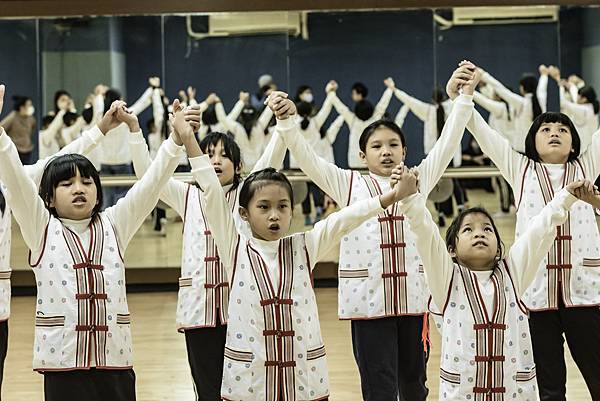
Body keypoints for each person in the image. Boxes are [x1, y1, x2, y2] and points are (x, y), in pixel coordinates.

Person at [172, 99, 422, 401]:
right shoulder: (234, 247)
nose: (274, 215)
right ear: (244, 213)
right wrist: (187, 139)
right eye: (263, 207)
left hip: (302, 377)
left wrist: (388, 198)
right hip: (252, 380)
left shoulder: (305, 246)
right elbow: (211, 191)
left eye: (282, 207)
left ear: (293, 211)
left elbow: (346, 218)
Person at [266, 62, 478, 401]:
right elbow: (307, 158)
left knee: (414, 386)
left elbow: (448, 143)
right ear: (362, 155)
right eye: (377, 146)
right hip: (367, 305)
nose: (386, 151)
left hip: (414, 301)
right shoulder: (348, 184)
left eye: (393, 144)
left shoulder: (418, 181)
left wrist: (463, 100)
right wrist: (289, 122)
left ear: (405, 152)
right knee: (378, 387)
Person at [0, 93, 200, 401]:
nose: (78, 189)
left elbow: (152, 184)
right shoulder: (40, 227)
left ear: (97, 192)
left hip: (115, 359)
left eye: (87, 183)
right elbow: (14, 174)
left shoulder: (115, 223)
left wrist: (175, 140)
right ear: (49, 199)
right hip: (62, 362)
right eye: (67, 185)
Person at [394, 164, 591, 400]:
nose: (479, 233)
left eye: (487, 229)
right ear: (451, 250)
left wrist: (565, 198)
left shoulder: (513, 273)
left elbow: (540, 229)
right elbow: (425, 234)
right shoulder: (445, 279)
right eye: (468, 229)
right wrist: (410, 198)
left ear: (499, 248)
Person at [129, 110, 286, 399]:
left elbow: (270, 162)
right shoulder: (187, 195)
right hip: (199, 310)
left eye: (224, 156)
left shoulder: (247, 195)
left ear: (238, 165)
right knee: (207, 388)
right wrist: (135, 131)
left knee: (248, 384)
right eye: (209, 154)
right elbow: (147, 174)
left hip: (242, 307)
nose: (215, 161)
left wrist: (283, 124)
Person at [465, 66, 600, 400]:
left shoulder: (587, 166)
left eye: (563, 129)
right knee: (548, 384)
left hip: (584, 292)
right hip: (535, 294)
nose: (554, 132)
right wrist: (464, 97)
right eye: (545, 128)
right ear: (531, 140)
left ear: (574, 142)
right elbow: (481, 131)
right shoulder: (519, 168)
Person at [477, 65, 548, 153]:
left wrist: (483, 75)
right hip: (538, 149)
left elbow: (501, 89)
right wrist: (544, 74)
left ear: (522, 88)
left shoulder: (521, 103)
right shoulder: (541, 100)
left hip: (521, 150)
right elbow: (542, 88)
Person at [329, 78, 395, 168]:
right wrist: (390, 88)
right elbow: (383, 104)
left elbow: (340, 107)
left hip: (354, 163)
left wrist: (331, 92)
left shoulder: (352, 120)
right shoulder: (374, 119)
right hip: (372, 163)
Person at [0, 95, 36, 164]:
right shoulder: (13, 117)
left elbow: (32, 129)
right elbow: (1, 127)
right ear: (22, 107)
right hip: (15, 150)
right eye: (29, 105)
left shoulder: (31, 118)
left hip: (27, 150)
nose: (31, 107)